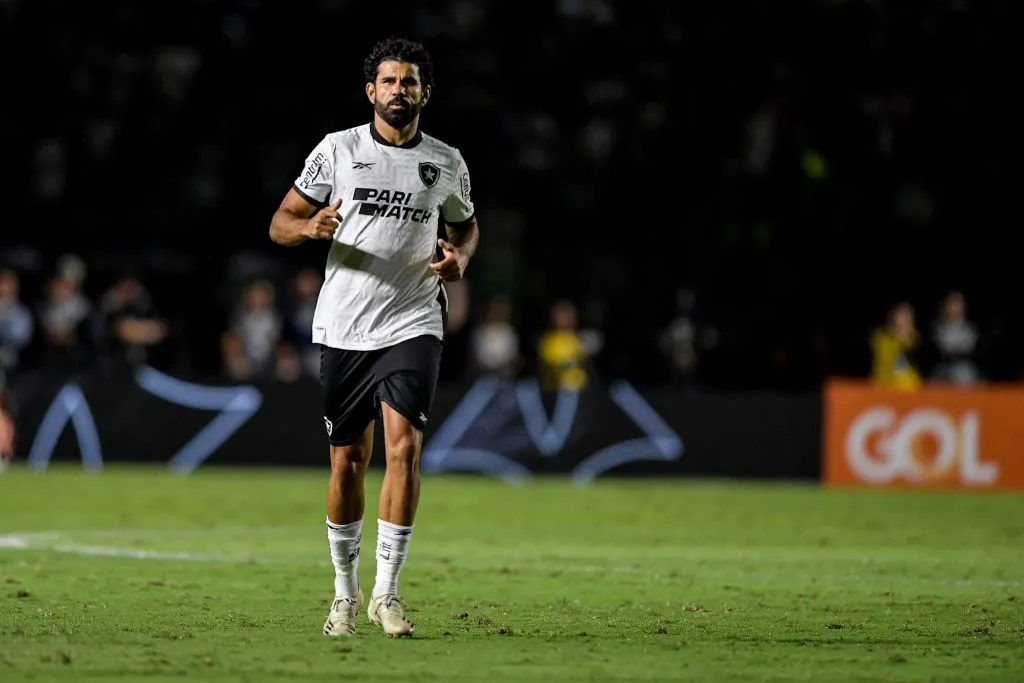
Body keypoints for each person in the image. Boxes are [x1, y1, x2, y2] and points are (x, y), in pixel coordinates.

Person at [269, 37, 479, 638]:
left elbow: (466, 229)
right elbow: (280, 222)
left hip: (414, 320)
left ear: (425, 93)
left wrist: (459, 260)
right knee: (347, 463)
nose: (398, 91)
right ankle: (344, 594)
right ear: (371, 91)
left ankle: (387, 594)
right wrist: (310, 226)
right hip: (344, 324)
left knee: (404, 449)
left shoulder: (445, 162)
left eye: (409, 82)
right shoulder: (338, 151)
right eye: (388, 82)